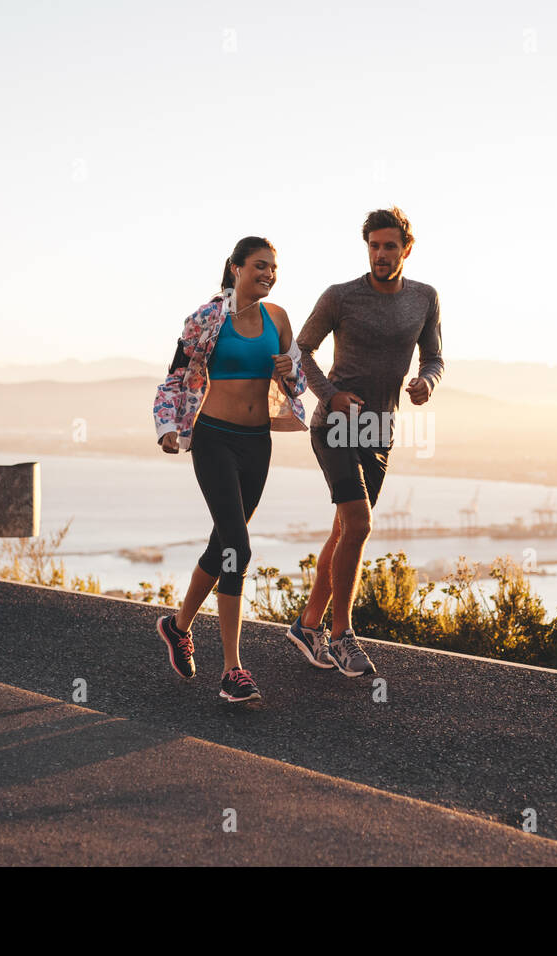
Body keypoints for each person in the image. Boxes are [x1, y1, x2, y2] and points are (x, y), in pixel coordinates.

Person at [286, 207, 443, 676]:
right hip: (335, 425)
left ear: (405, 249)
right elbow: (300, 350)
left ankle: (307, 624)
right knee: (359, 524)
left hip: (381, 428)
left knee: (344, 531)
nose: (380, 253)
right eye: (373, 245)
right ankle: (341, 635)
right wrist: (330, 396)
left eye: (389, 245)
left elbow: (434, 356)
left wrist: (426, 383)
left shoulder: (425, 298)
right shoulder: (340, 297)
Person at [152, 236, 308, 703]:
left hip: (257, 444)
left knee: (223, 543)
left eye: (273, 268)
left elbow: (296, 385)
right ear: (236, 268)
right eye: (260, 266)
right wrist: (167, 427)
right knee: (238, 548)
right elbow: (175, 376)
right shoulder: (205, 318)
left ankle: (177, 627)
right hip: (214, 438)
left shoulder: (277, 318)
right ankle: (233, 671)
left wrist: (288, 371)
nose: (269, 274)